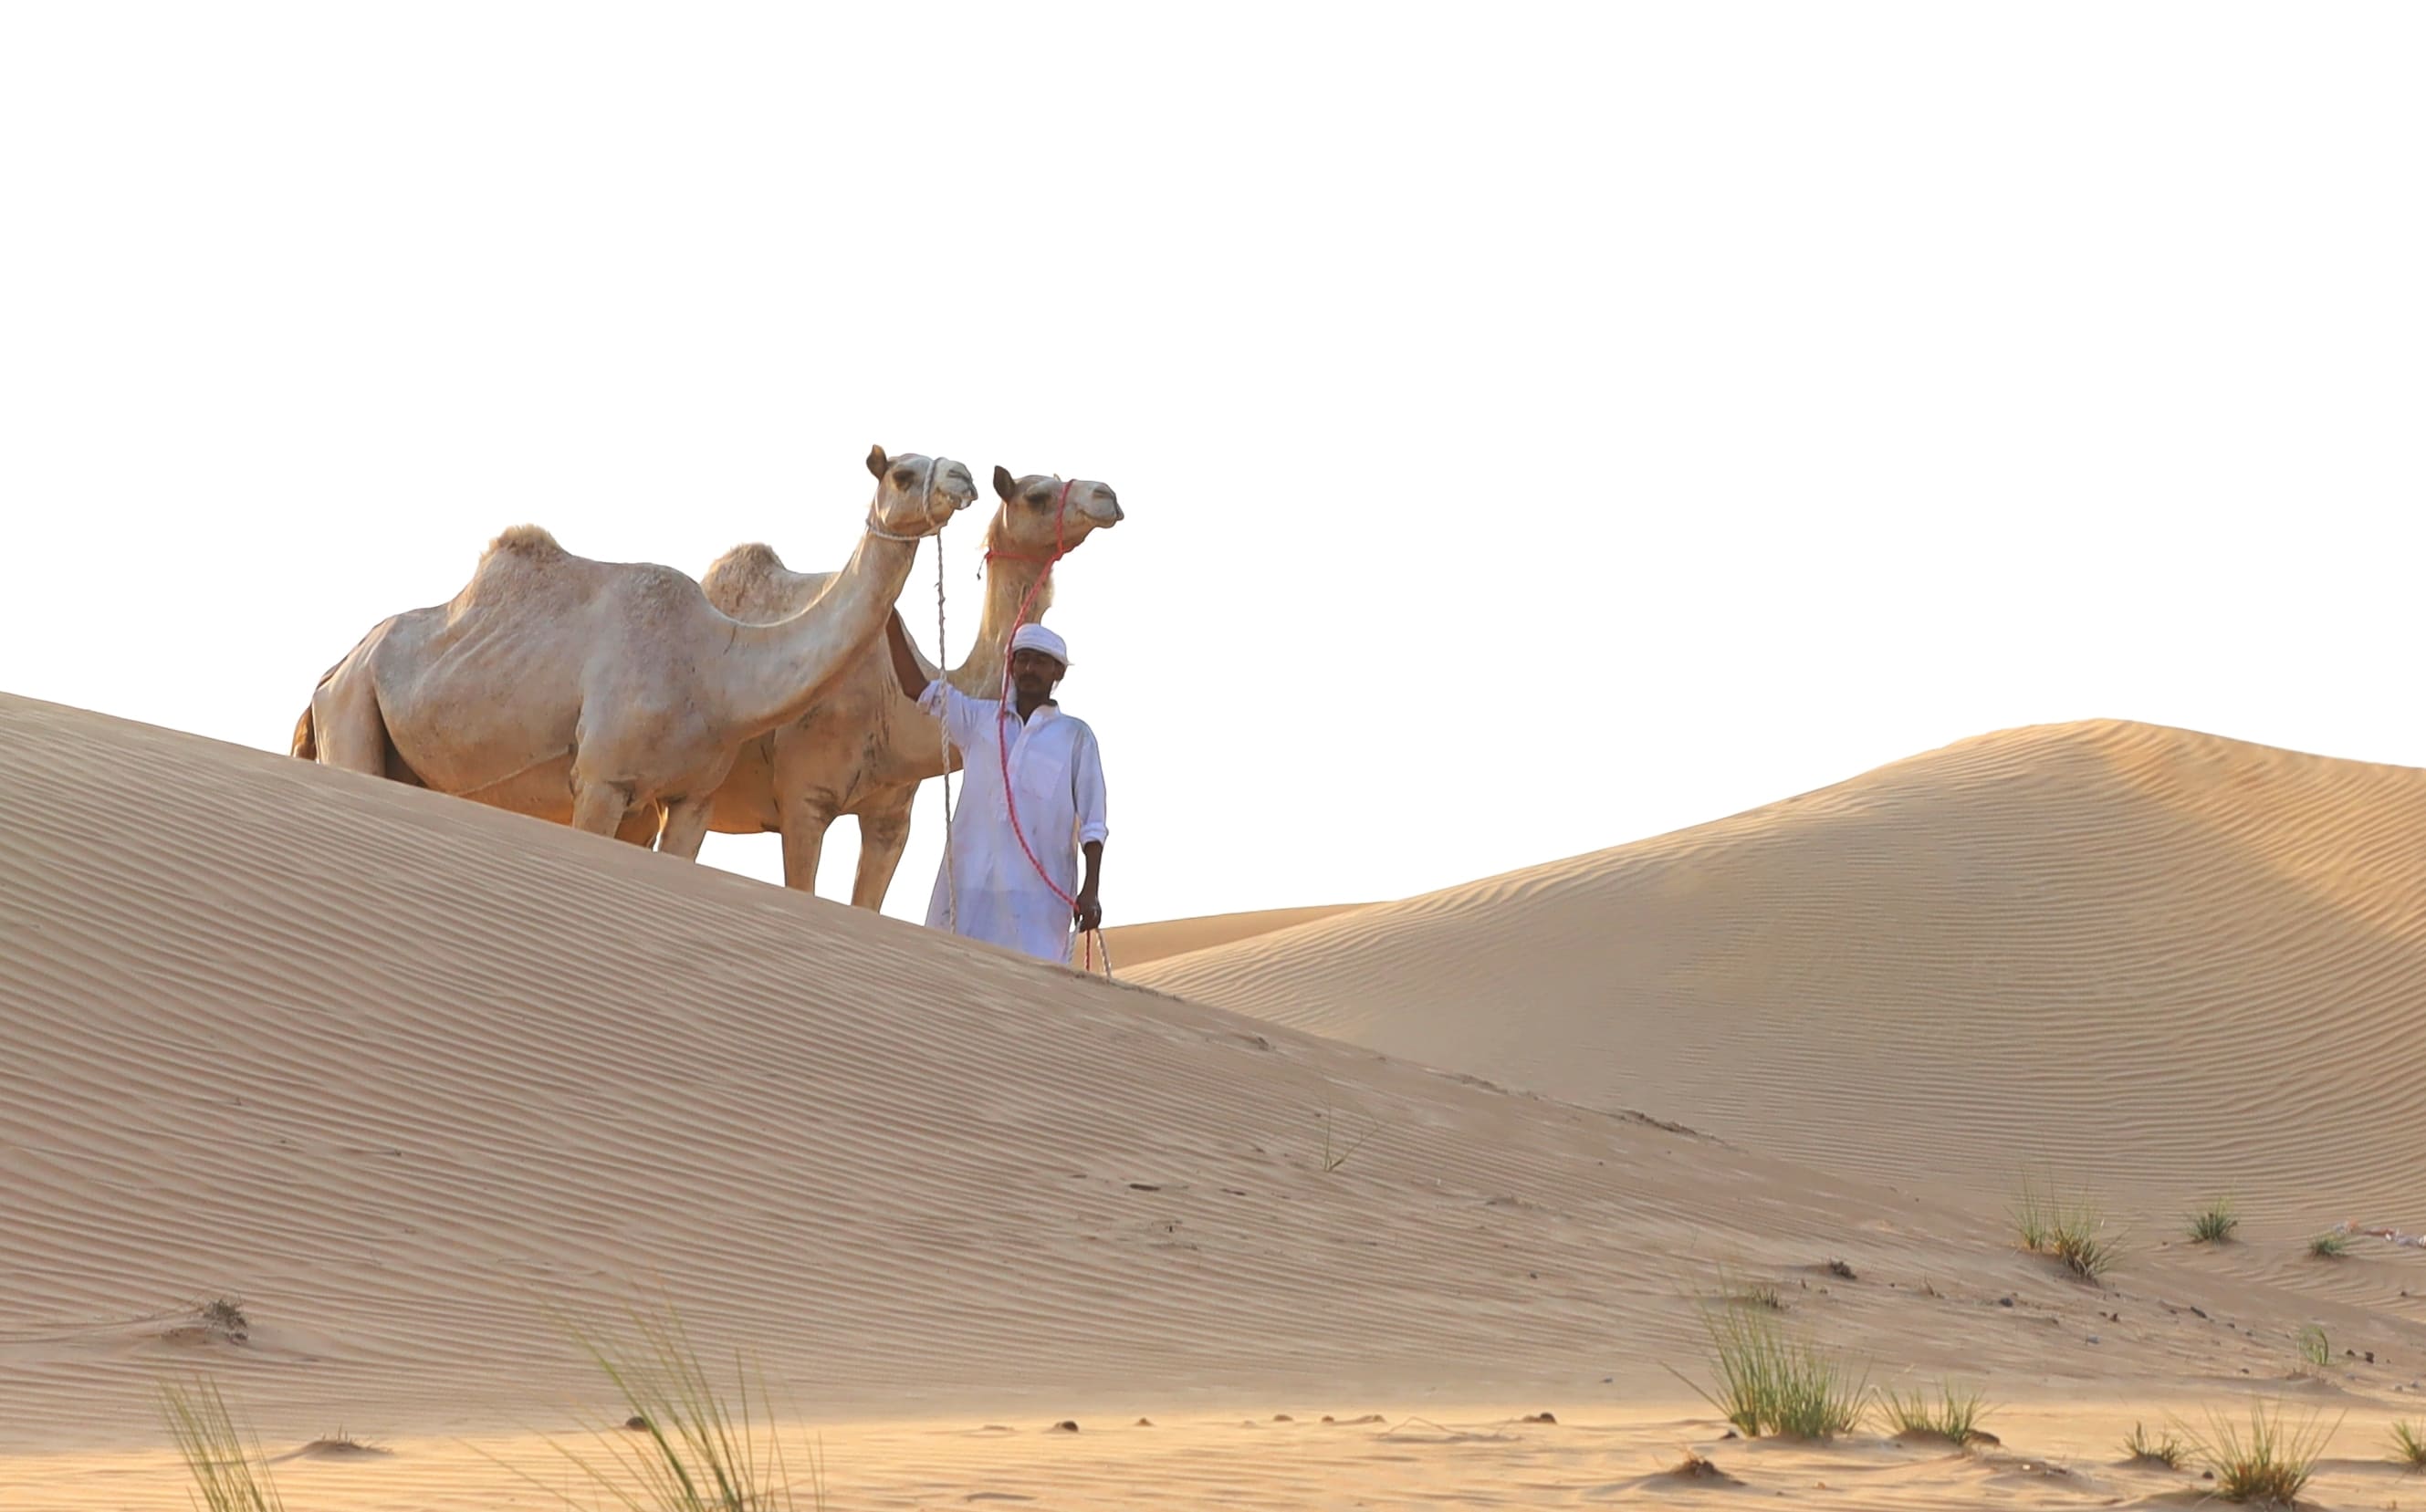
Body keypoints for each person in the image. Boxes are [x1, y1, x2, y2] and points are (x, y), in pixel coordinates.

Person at [884, 612, 1107, 965]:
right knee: (946, 975)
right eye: (1023, 659)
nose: (1030, 668)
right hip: (967, 889)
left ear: (1057, 673)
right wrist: (888, 618)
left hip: (1035, 906)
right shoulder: (978, 720)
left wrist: (1091, 890)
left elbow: (1093, 823)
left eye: (1040, 661)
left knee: (1031, 989)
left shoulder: (1075, 737)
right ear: (1012, 666)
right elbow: (917, 688)